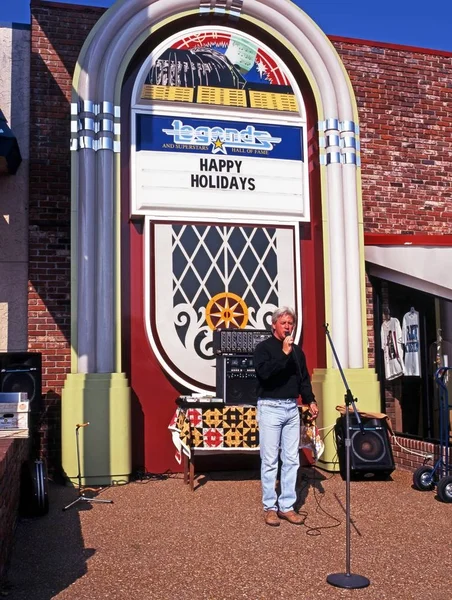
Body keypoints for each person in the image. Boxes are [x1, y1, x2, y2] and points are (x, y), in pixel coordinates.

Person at [253, 306, 318, 526]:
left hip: (291, 408)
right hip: (270, 407)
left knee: (291, 460)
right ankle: (270, 507)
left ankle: (287, 506)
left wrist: (310, 400)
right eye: (284, 323)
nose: (288, 327)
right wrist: (284, 353)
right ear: (274, 325)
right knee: (270, 460)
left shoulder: (297, 352)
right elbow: (264, 374)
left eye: (290, 323)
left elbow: (303, 380)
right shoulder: (264, 349)